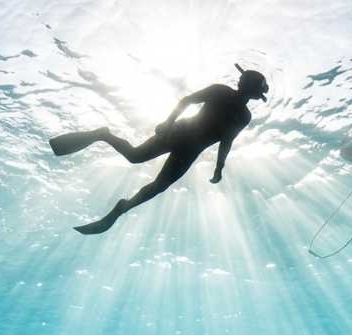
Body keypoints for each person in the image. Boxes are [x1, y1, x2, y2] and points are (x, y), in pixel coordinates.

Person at [49, 65, 269, 235]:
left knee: (158, 184)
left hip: (187, 146)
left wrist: (219, 167)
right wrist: (168, 122)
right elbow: (188, 101)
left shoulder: (242, 114)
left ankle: (122, 207)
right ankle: (103, 135)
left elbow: (226, 141)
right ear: (255, 90)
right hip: (179, 133)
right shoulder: (224, 95)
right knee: (136, 158)